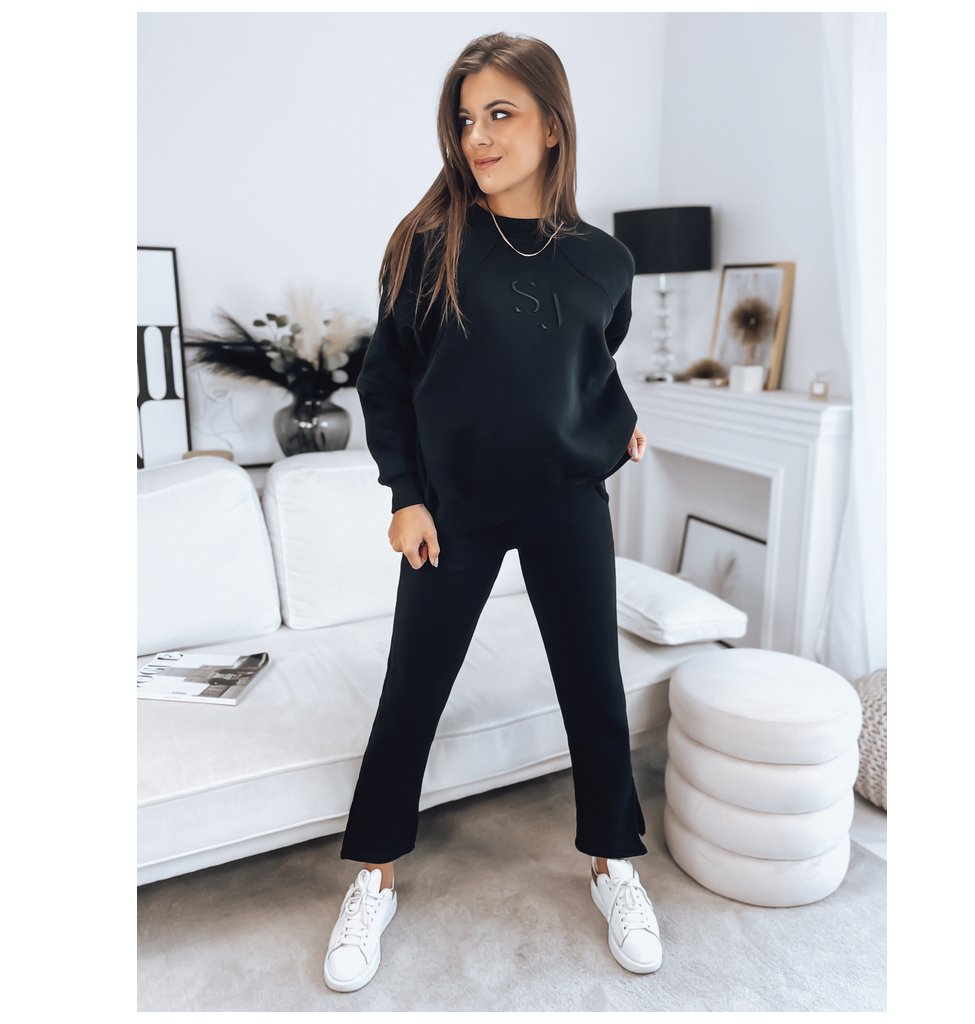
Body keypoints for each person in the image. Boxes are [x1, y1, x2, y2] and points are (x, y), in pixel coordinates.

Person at [324, 31, 662, 994]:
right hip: (454, 509)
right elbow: (386, 382)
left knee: (594, 688)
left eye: (500, 114)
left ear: (552, 127)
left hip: (565, 502)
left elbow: (588, 366)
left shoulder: (606, 260)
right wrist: (406, 495)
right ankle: (373, 877)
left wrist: (617, 426)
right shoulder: (427, 245)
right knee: (413, 690)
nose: (477, 136)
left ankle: (613, 864)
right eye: (467, 118)